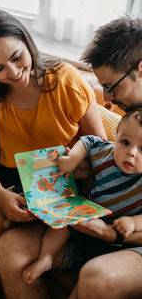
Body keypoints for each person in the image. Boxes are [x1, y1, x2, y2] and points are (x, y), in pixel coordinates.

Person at [0, 8, 106, 299]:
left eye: (16, 57)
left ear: (27, 42)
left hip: (51, 177)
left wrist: (80, 168)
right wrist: (1, 195)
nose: (14, 72)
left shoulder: (65, 80)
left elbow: (100, 145)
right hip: (2, 173)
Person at [0, 16, 142, 299]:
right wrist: (77, 172)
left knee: (99, 278)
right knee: (10, 248)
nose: (109, 99)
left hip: (132, 240)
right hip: (97, 225)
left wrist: (115, 234)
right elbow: (99, 154)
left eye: (113, 87)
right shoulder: (130, 116)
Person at [22, 108, 142, 285]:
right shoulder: (105, 153)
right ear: (115, 138)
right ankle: (45, 258)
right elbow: (88, 141)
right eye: (125, 142)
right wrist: (72, 159)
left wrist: (133, 223)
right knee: (63, 223)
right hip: (88, 215)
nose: (131, 152)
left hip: (117, 238)